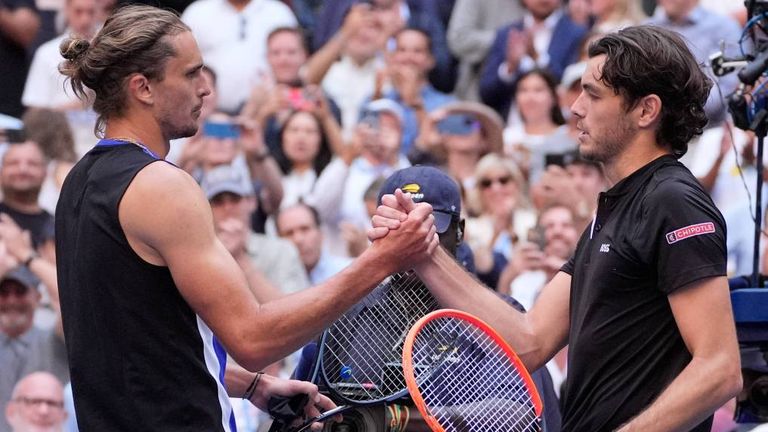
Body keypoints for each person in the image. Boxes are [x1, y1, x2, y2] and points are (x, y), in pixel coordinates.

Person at [54, 6, 438, 431]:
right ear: (143, 88)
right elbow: (253, 338)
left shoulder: (78, 180)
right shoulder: (160, 186)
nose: (205, 89)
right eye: (191, 74)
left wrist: (250, 385)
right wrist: (383, 259)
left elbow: (133, 343)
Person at [370, 25, 741, 431]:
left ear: (646, 110)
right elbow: (529, 341)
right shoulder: (617, 207)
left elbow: (720, 369)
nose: (575, 108)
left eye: (593, 94)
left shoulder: (673, 200)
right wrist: (423, 250)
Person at [0, 267, 67, 432]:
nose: (11, 300)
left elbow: (72, 299)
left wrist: (27, 258)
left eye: (20, 292)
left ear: (37, 297)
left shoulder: (54, 341)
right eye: (4, 293)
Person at [276, 202, 352, 285]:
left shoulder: (349, 271)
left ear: (321, 233)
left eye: (305, 229)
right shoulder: (273, 285)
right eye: (289, 233)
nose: (298, 239)